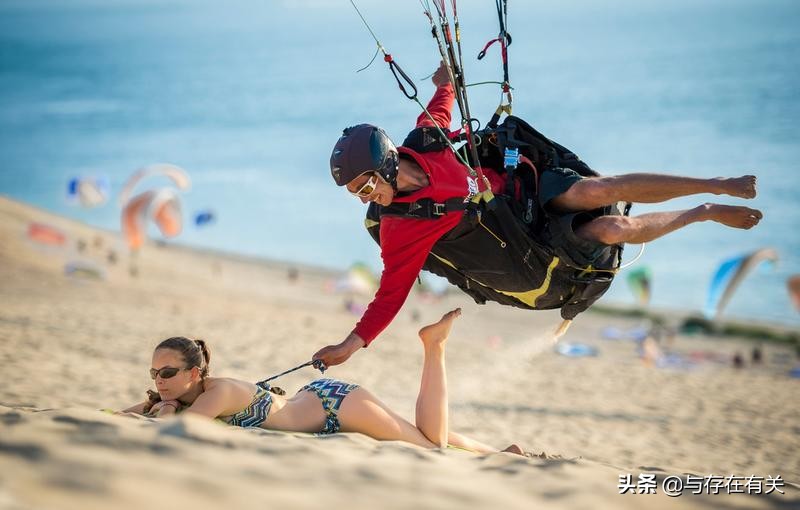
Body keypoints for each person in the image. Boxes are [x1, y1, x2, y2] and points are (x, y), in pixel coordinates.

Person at [314, 61, 762, 368]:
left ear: (389, 161)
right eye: (356, 192)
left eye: (365, 184)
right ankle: (703, 212)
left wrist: (443, 78)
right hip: (524, 244)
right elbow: (388, 296)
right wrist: (350, 345)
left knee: (602, 189)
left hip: (526, 192)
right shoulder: (401, 229)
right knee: (613, 227)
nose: (364, 197)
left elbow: (444, 95)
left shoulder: (427, 138)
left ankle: (716, 184)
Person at [119, 309, 524, 455]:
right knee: (417, 431)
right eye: (154, 374)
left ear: (194, 373)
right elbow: (124, 416)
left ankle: (433, 347)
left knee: (429, 446)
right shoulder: (183, 394)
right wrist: (155, 404)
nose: (160, 381)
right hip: (315, 401)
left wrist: (167, 408)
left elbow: (181, 427)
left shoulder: (217, 391)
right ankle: (500, 453)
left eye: (167, 373)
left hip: (336, 407)